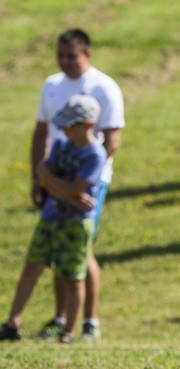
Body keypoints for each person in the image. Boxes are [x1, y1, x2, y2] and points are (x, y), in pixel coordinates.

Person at [31, 28, 125, 341]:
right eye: (61, 55)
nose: (65, 61)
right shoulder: (51, 85)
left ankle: (89, 322)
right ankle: (60, 318)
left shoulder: (104, 87)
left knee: (81, 249)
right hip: (54, 179)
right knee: (59, 248)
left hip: (86, 184)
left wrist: (84, 183)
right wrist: (39, 177)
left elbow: (112, 140)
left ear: (87, 54)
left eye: (72, 55)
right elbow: (42, 132)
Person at [1, 95, 107, 344]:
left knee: (72, 276)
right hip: (50, 217)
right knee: (32, 267)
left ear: (87, 125)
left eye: (70, 125)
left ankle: (68, 332)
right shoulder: (61, 144)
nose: (64, 129)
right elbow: (45, 172)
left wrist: (55, 184)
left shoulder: (94, 154)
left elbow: (72, 185)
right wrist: (68, 193)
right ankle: (12, 323)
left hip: (76, 224)